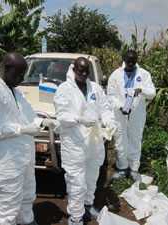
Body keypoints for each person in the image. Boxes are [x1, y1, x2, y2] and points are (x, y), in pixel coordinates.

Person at [0, 54, 54, 225]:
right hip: (5, 161)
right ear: (6, 69)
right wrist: (22, 129)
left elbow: (28, 116)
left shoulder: (15, 91)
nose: (22, 78)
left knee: (27, 194)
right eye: (18, 74)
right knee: (7, 204)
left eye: (23, 74)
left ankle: (27, 221)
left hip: (23, 156)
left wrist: (44, 122)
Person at [54, 57, 116, 225]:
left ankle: (87, 206)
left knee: (91, 178)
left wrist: (109, 122)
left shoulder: (95, 88)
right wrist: (79, 119)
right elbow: (61, 116)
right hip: (75, 145)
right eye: (80, 70)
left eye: (86, 71)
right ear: (73, 69)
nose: (83, 74)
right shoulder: (64, 89)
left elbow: (105, 109)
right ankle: (75, 217)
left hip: (94, 144)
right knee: (76, 183)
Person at [107, 50, 156, 181]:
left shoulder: (144, 74)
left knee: (135, 139)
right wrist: (120, 106)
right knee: (120, 140)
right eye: (128, 61)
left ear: (136, 60)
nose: (130, 64)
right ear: (123, 59)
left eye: (133, 62)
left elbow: (152, 93)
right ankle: (122, 168)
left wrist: (141, 90)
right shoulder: (115, 75)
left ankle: (134, 169)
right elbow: (110, 96)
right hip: (119, 113)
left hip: (137, 113)